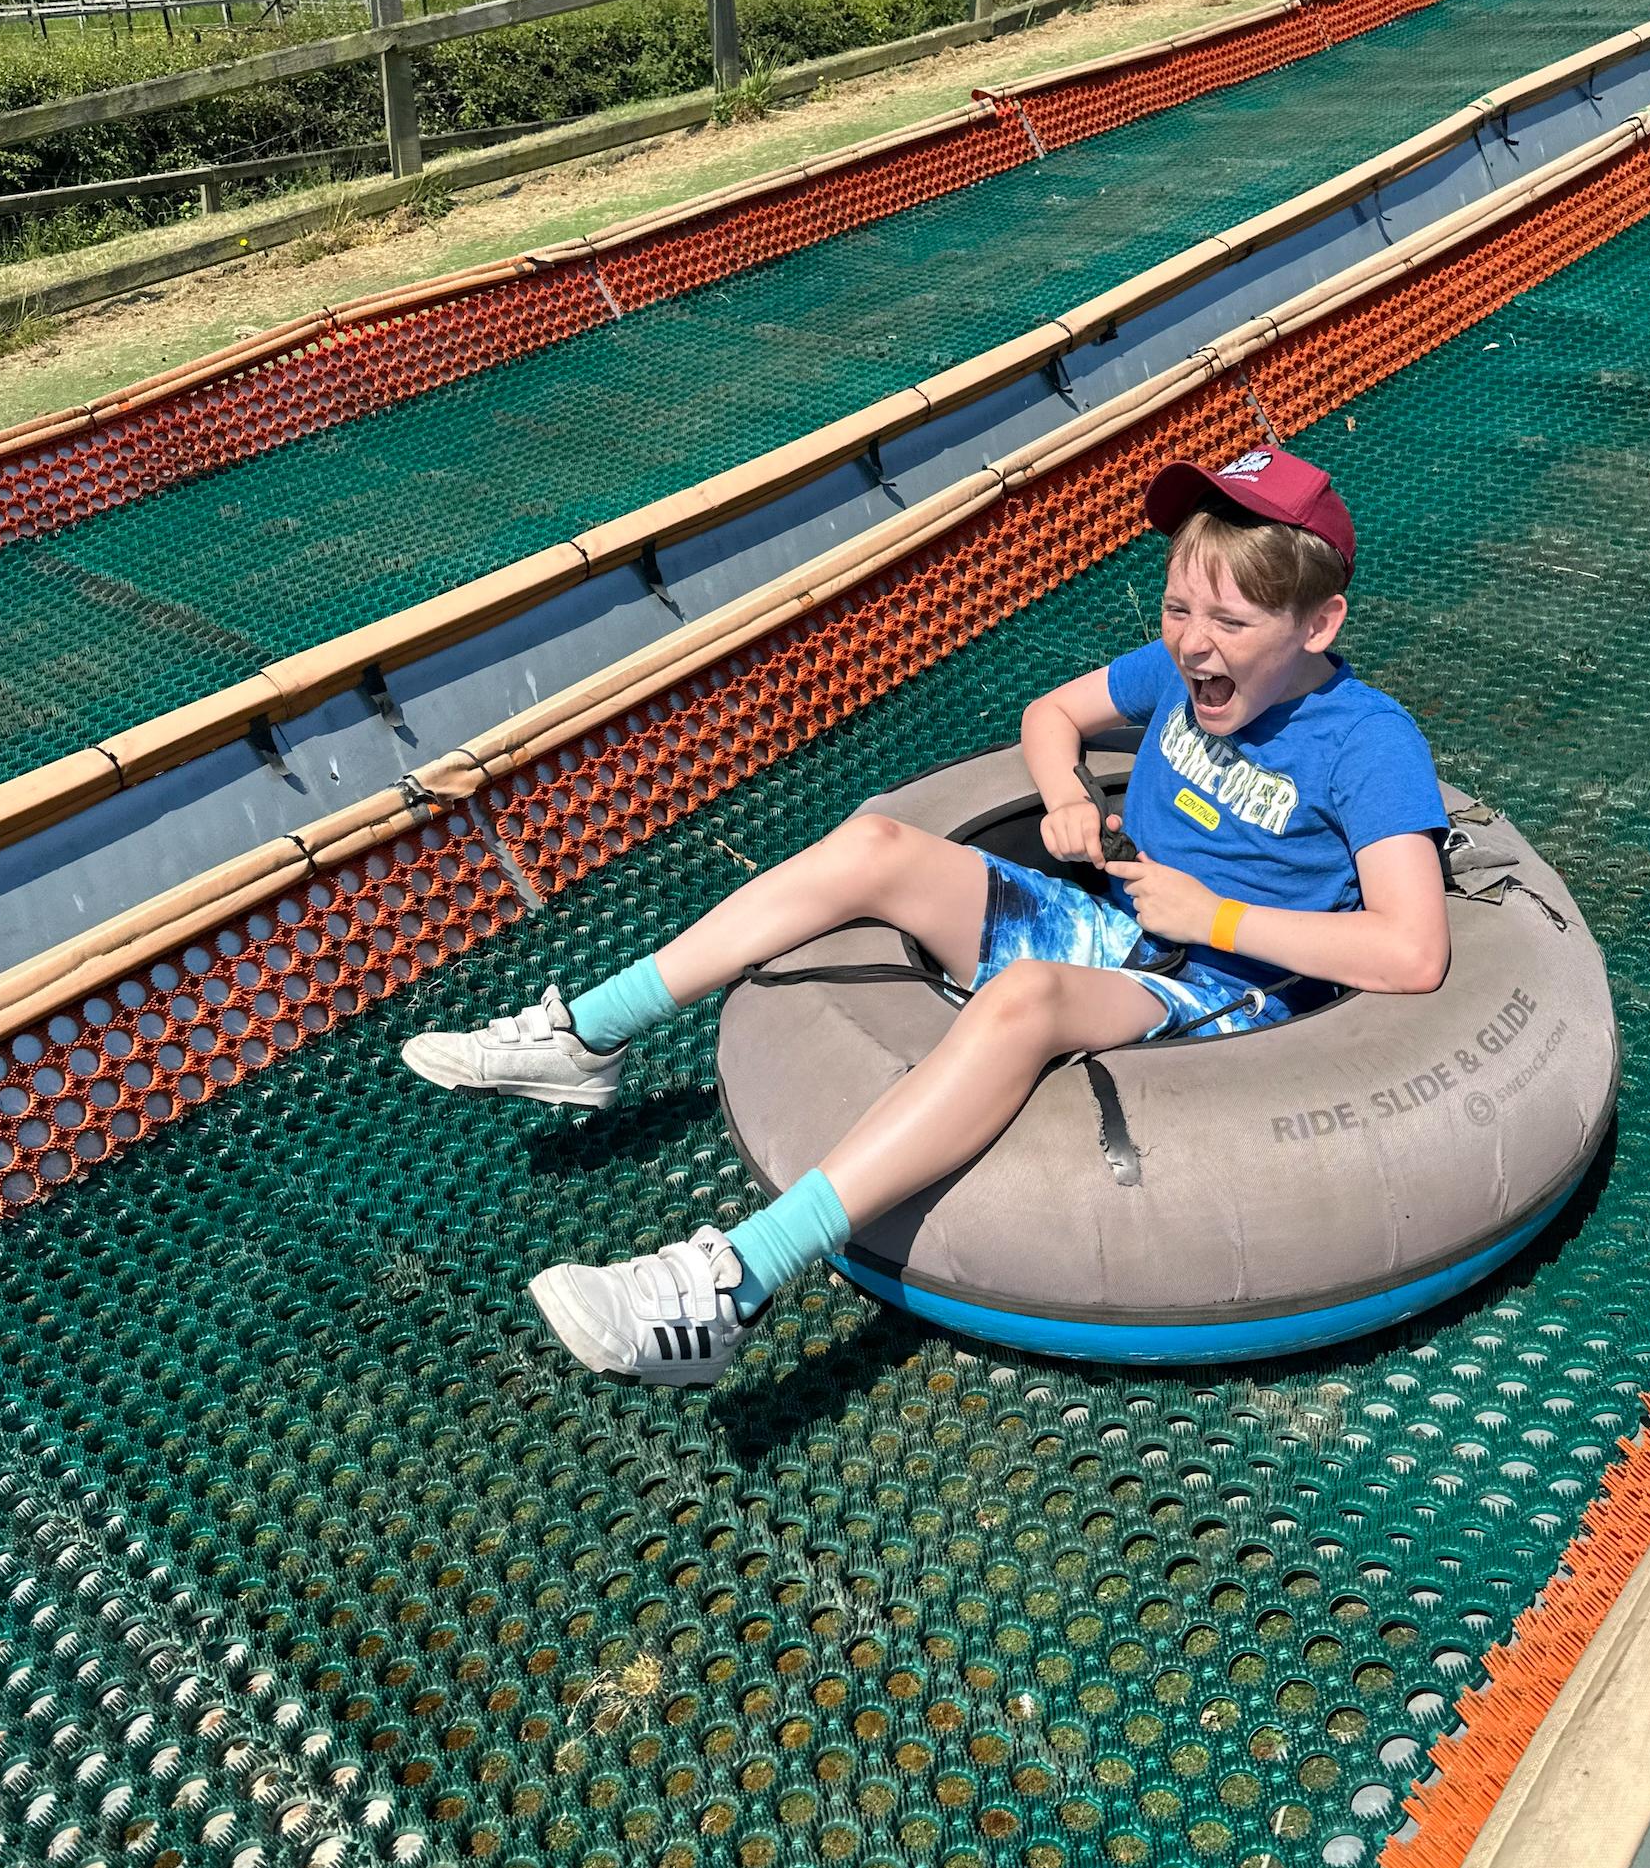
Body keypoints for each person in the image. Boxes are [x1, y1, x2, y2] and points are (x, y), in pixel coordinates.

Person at [401, 448, 1450, 1384]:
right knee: (875, 846)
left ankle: (730, 1286)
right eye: (1178, 609)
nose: (1192, 644)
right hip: (1131, 924)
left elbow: (1411, 950)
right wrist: (1067, 796)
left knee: (1027, 997)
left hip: (1230, 984)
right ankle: (587, 1034)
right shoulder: (1176, 675)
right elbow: (1052, 713)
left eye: (1230, 623)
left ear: (1318, 624)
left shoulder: (1366, 742)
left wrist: (1215, 918)